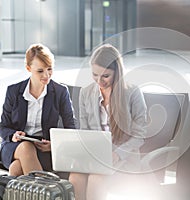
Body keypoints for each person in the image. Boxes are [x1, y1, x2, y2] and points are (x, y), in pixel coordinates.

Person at [68, 44, 147, 200]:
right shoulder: (86, 93)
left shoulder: (132, 92)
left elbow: (140, 135)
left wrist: (117, 154)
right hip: (94, 156)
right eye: (95, 75)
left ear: (117, 73)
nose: (99, 80)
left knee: (96, 179)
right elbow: (84, 131)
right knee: (75, 178)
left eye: (105, 76)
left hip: (123, 158)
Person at [0, 43, 76, 176]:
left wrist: (53, 145)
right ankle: (45, 194)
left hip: (44, 149)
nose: (46, 75)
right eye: (40, 71)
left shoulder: (60, 92)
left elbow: (71, 127)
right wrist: (13, 135)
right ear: (28, 68)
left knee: (16, 169)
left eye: (49, 69)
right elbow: (3, 127)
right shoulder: (13, 91)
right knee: (26, 147)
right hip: (14, 147)